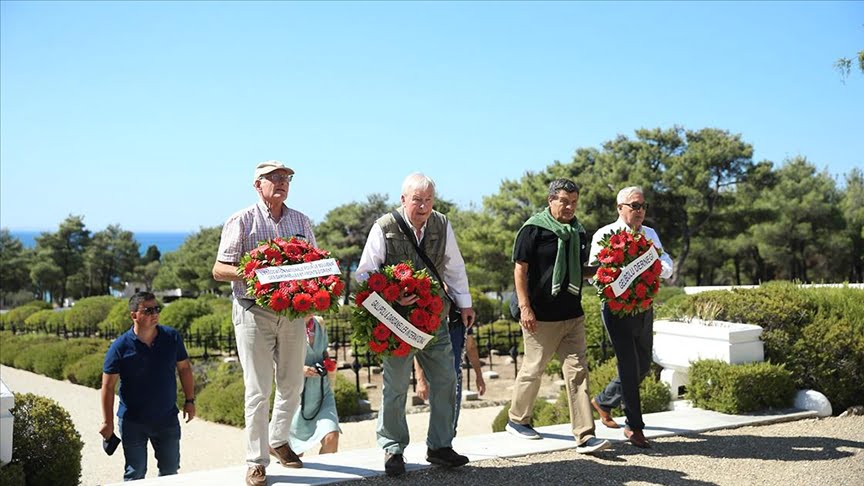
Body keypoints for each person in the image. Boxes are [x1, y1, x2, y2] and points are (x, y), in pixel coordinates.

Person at [356, 172, 475, 477]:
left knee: (447, 381)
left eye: (428, 200)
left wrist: (465, 303)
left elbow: (454, 265)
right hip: (396, 322)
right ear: (403, 199)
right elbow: (365, 274)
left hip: (434, 317)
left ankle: (440, 446)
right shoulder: (384, 227)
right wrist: (392, 295)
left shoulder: (442, 223)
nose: (423, 206)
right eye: (417, 200)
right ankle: (393, 449)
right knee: (395, 387)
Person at [212, 160, 316, 486]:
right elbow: (219, 269)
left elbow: (313, 262)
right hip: (253, 311)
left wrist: (313, 299)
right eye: (274, 178)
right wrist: (257, 272)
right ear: (258, 184)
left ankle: (279, 439)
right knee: (258, 391)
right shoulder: (241, 220)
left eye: (286, 178)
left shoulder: (301, 220)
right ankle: (256, 462)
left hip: (293, 314)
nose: (282, 183)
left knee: (293, 384)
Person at [506, 178, 610, 454]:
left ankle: (585, 435)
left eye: (574, 202)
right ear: (551, 199)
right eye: (564, 201)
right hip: (540, 316)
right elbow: (520, 270)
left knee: (578, 374)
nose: (569, 207)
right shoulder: (533, 230)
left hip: (572, 315)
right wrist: (525, 307)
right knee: (533, 369)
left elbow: (577, 268)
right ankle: (517, 420)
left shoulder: (578, 232)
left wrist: (603, 270)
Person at [589, 186, 674, 449]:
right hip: (616, 309)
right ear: (620, 208)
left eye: (643, 207)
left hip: (644, 306)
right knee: (627, 365)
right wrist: (619, 284)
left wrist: (658, 269)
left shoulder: (649, 234)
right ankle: (634, 427)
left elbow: (665, 263)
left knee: (643, 364)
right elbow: (594, 274)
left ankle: (603, 401)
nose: (640, 211)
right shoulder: (604, 235)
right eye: (634, 206)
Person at [99, 291, 195, 481]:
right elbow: (108, 387)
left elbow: (184, 369)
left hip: (166, 419)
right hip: (132, 422)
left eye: (156, 309)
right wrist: (107, 423)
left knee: (170, 473)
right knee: (135, 474)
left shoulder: (172, 337)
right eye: (148, 310)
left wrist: (190, 400)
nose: (155, 314)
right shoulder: (119, 347)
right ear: (134, 315)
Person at [415, 325, 486, 432]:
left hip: (455, 377)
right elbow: (418, 349)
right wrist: (420, 380)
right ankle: (438, 446)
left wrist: (479, 376)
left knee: (451, 424)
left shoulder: (462, 315)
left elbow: (470, 347)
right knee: (441, 422)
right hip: (434, 377)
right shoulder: (431, 315)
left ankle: (445, 444)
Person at [288, 316, 341, 455]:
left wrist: (328, 362)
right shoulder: (287, 323)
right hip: (296, 395)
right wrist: (300, 369)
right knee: (295, 451)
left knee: (332, 437)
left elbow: (323, 352)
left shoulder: (320, 323)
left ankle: (327, 476)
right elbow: (277, 360)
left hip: (322, 392)